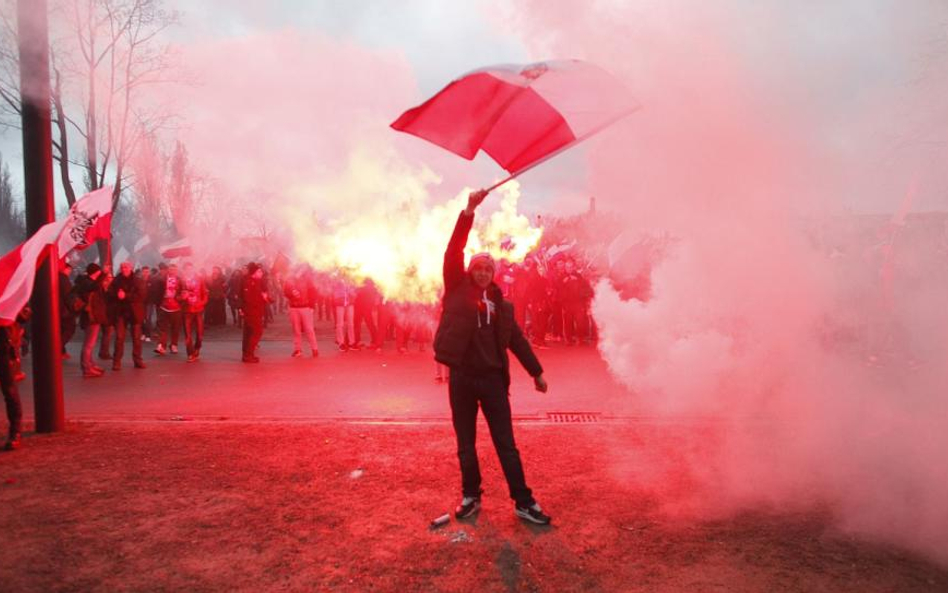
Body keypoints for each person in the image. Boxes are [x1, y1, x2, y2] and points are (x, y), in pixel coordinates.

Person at [434, 189, 551, 525]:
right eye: (478, 268)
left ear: (494, 273)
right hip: (462, 380)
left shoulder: (502, 305)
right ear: (470, 271)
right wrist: (469, 210)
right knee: (466, 445)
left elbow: (516, 340)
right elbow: (453, 250)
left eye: (488, 268)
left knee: (506, 445)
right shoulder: (457, 288)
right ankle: (471, 496)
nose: (482, 272)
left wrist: (536, 372)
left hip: (493, 382)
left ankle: (523, 500)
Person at [108, 261, 147, 370]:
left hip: (135, 312)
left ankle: (137, 360)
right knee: (119, 338)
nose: (124, 269)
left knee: (136, 338)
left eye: (126, 267)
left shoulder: (138, 281)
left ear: (131, 268)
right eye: (122, 267)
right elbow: (110, 293)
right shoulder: (116, 280)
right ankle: (116, 362)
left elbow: (142, 296)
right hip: (121, 312)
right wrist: (117, 295)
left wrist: (126, 296)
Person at [74, 263, 107, 378]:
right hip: (90, 316)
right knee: (89, 344)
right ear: (95, 273)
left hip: (93, 316)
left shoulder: (87, 282)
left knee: (90, 344)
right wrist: (104, 273)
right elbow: (94, 287)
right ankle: (86, 368)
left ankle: (90, 364)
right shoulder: (87, 283)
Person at [239, 262, 269, 362]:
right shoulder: (249, 282)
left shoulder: (256, 281)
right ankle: (248, 355)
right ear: (254, 272)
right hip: (252, 311)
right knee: (256, 332)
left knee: (248, 333)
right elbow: (248, 298)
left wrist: (266, 298)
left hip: (253, 311)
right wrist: (262, 298)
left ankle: (246, 355)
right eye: (259, 271)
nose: (261, 273)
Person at [179, 262, 208, 362]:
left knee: (200, 334)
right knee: (188, 334)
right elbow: (177, 296)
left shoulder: (199, 279)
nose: (189, 270)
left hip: (198, 310)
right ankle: (190, 354)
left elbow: (205, 293)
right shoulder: (181, 281)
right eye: (187, 269)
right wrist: (182, 297)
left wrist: (202, 303)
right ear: (184, 270)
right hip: (186, 310)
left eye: (191, 268)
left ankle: (197, 348)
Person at [1, 318, 23, 451]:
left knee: (9, 391)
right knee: (9, 391)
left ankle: (15, 431)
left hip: (4, 347)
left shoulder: (9, 299)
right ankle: (15, 432)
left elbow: (24, 315)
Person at [154, 263, 182, 355]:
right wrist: (160, 299)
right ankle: (161, 345)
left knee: (175, 328)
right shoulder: (162, 280)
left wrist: (178, 297)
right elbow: (157, 292)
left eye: (174, 270)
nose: (172, 271)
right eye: (170, 270)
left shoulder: (180, 280)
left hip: (176, 308)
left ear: (176, 271)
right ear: (168, 270)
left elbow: (183, 292)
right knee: (162, 328)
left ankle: (173, 345)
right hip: (164, 307)